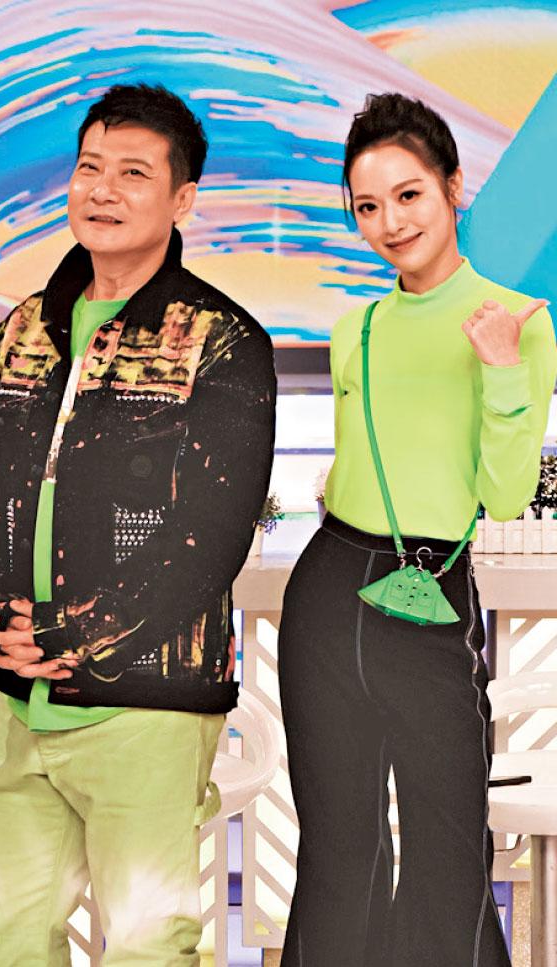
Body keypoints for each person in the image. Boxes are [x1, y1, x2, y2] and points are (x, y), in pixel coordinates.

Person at [0, 83, 276, 965]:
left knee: (147, 944)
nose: (102, 189)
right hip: (24, 702)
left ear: (182, 199)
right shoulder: (22, 330)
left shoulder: (220, 339)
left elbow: (210, 534)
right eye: (90, 167)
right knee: (8, 936)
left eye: (133, 173)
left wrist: (70, 635)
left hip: (150, 702)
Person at [279, 92, 557, 966]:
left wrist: (500, 370)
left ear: (452, 187)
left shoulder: (520, 321)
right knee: (338, 849)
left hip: (432, 590)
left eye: (409, 195)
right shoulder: (354, 330)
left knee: (449, 850)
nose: (390, 223)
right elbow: (358, 463)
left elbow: (504, 496)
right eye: (368, 206)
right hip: (329, 590)